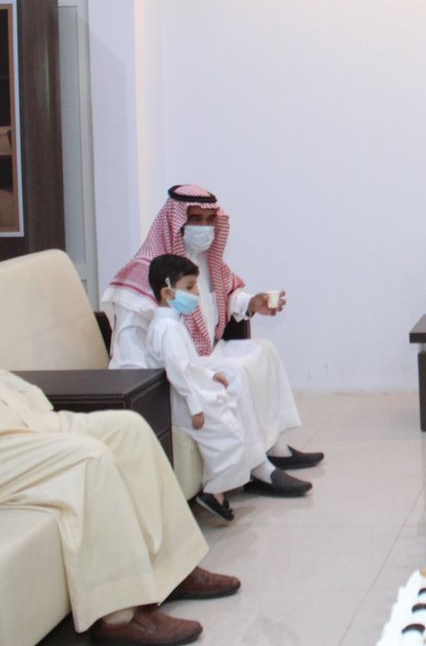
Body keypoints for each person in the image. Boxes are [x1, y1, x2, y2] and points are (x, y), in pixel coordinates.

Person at [0, 228, 239, 646]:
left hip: (20, 427)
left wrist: (40, 411)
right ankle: (119, 616)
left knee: (128, 430)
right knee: (88, 459)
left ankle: (175, 569)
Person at [103, 185, 318, 497]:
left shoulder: (206, 259)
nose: (204, 228)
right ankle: (258, 468)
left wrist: (251, 303)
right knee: (236, 374)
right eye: (195, 219)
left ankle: (274, 445)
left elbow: (223, 295)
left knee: (264, 352)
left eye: (209, 220)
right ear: (176, 222)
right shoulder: (148, 271)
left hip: (205, 350)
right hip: (173, 364)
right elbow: (132, 344)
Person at [144, 254, 267, 523]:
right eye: (189, 287)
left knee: (233, 406)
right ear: (167, 292)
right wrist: (195, 407)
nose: (196, 293)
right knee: (231, 437)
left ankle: (219, 489)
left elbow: (188, 363)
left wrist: (211, 375)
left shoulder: (172, 324)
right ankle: (214, 493)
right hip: (186, 402)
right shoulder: (167, 329)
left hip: (195, 392)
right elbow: (177, 372)